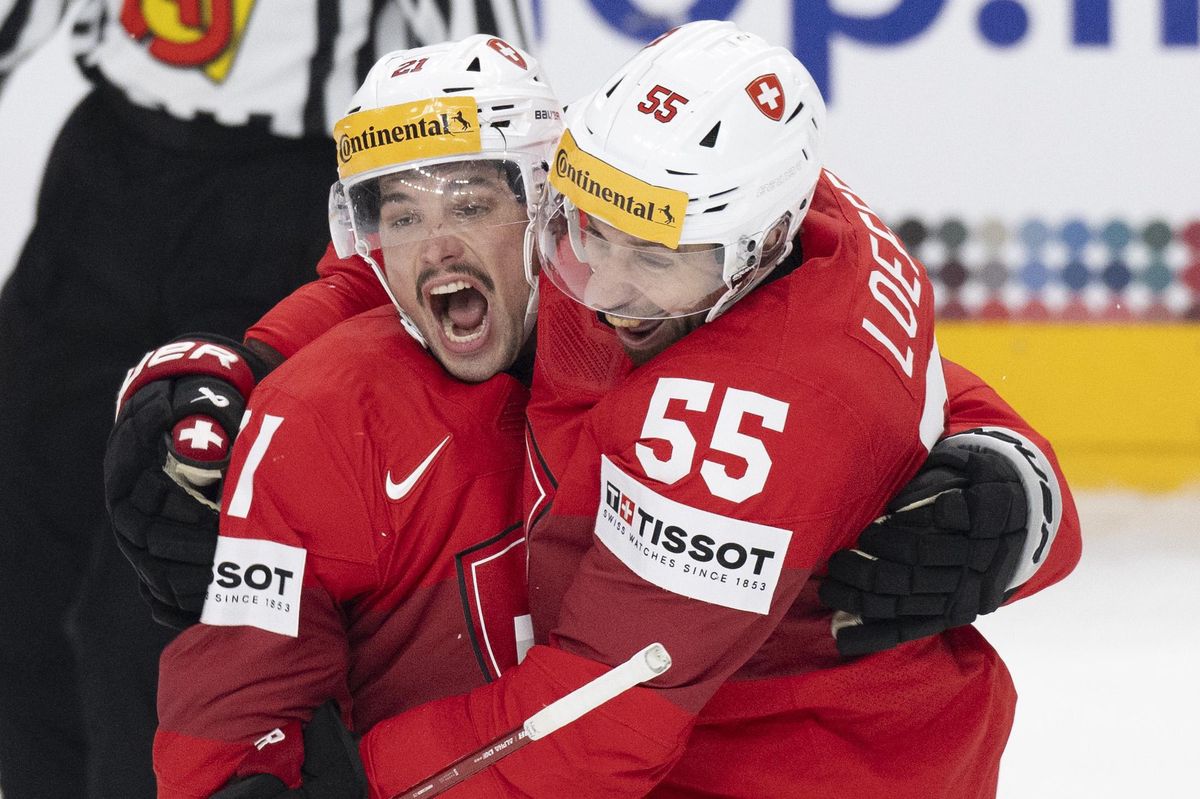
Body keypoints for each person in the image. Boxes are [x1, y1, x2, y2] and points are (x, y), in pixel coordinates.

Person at [105, 22, 1079, 799]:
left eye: (650, 260)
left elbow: (595, 712)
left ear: (756, 251)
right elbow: (417, 259)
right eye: (582, 225)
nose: (603, 283)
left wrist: (365, 779)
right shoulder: (689, 196)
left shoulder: (744, 414)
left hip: (803, 762)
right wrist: (236, 365)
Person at [0, 2, 527, 796]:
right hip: (106, 176)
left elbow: (490, 67)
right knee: (21, 558)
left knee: (162, 587)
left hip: (277, 205)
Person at [149, 35, 562, 798]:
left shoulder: (654, 323)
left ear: (544, 201)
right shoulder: (322, 414)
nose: (436, 249)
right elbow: (236, 698)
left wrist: (860, 484)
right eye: (401, 219)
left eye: (470, 205)